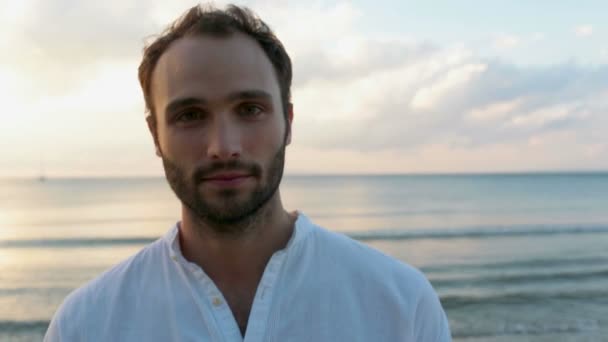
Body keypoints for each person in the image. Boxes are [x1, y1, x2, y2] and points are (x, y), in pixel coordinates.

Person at [44, 4, 451, 341]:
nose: (223, 146)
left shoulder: (400, 305)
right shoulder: (87, 325)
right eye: (190, 115)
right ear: (155, 134)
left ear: (288, 123)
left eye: (250, 110)